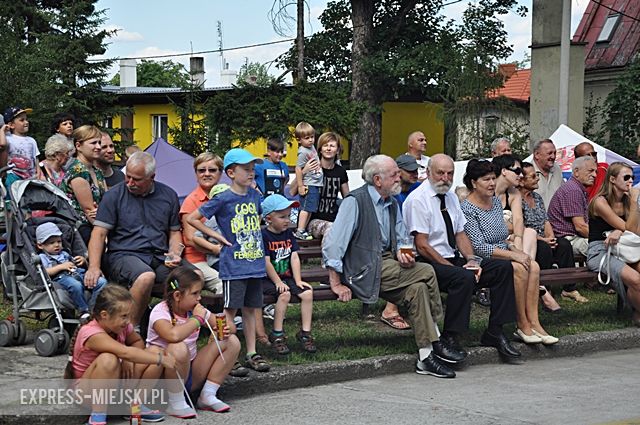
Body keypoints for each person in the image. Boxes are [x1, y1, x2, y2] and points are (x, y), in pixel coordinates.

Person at [323, 154, 459, 379]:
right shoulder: (355, 201)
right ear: (377, 180)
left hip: (387, 265)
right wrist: (336, 283)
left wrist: (404, 253)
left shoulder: (392, 202)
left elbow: (403, 238)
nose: (400, 178)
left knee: (418, 290)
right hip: (362, 269)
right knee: (427, 271)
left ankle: (425, 357)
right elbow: (335, 243)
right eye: (394, 174)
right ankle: (438, 335)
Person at [403, 154, 521, 360]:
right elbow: (422, 245)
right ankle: (450, 336)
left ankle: (495, 331)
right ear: (429, 172)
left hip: (452, 257)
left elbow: (460, 233)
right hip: (426, 262)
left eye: (450, 174)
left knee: (502, 268)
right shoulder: (418, 200)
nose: (445, 178)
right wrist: (453, 267)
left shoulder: (450, 197)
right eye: (440, 173)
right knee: (462, 278)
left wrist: (471, 260)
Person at [186, 148, 271, 373]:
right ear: (231, 173)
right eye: (246, 169)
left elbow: (258, 219)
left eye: (253, 169)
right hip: (234, 265)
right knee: (229, 311)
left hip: (254, 262)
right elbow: (193, 219)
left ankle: (251, 352)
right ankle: (226, 351)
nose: (251, 173)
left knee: (251, 309)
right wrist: (216, 236)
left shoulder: (254, 195)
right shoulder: (223, 197)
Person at [86, 151, 194, 327]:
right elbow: (99, 233)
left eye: (136, 179)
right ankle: (130, 330)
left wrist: (175, 252)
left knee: (193, 277)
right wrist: (93, 267)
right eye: (127, 177)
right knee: (145, 277)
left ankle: (176, 326)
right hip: (123, 255)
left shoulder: (168, 195)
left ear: (152, 177)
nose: (130, 183)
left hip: (159, 256)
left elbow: (174, 232)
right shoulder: (113, 196)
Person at [461, 159, 558, 345]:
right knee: (520, 268)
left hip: (503, 250)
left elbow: (503, 236)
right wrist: (514, 255)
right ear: (473, 183)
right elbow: (478, 246)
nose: (491, 183)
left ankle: (535, 323)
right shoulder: (467, 208)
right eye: (486, 180)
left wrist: (515, 248)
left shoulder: (496, 203)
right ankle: (521, 324)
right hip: (481, 258)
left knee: (533, 265)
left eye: (492, 179)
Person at [64, 285, 175, 425]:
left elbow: (137, 342)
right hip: (86, 393)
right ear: (104, 315)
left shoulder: (120, 326)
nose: (128, 321)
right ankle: (97, 416)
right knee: (108, 359)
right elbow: (125, 352)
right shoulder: (91, 333)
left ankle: (135, 406)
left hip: (114, 388)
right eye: (124, 316)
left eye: (129, 315)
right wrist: (162, 360)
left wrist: (130, 361)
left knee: (155, 351)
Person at [147, 267, 240, 417]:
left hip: (189, 373)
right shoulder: (160, 312)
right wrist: (197, 319)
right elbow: (173, 336)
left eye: (200, 293)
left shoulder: (194, 309)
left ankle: (207, 395)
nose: (199, 298)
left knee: (231, 341)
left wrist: (226, 328)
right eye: (195, 294)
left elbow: (229, 326)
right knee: (178, 347)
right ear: (177, 295)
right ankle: (175, 402)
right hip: (164, 381)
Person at [260, 194, 317, 354]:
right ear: (269, 218)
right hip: (268, 279)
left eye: (289, 216)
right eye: (282, 216)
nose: (287, 220)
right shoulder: (264, 236)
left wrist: (298, 280)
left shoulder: (288, 234)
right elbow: (266, 262)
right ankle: (277, 334)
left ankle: (305, 333)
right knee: (284, 294)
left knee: (307, 293)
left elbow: (294, 256)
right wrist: (278, 282)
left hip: (286, 277)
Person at [587, 163, 640, 326]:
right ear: (612, 179)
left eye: (633, 177)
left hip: (625, 248)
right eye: (626, 177)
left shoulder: (627, 201)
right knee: (636, 279)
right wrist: (633, 203)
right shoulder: (600, 202)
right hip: (600, 250)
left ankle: (637, 313)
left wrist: (620, 231)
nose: (630, 181)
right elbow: (629, 227)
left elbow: (635, 231)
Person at [519, 162, 574, 312]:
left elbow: (545, 220)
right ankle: (545, 290)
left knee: (563, 245)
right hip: (529, 239)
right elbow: (520, 227)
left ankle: (569, 288)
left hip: (543, 236)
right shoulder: (516, 199)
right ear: (522, 180)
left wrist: (551, 236)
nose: (537, 179)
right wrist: (542, 240)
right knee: (543, 249)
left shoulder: (536, 197)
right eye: (533, 176)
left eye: (537, 175)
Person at [547, 155, 597, 303]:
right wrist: (602, 238)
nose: (594, 175)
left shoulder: (576, 188)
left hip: (572, 238)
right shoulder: (573, 190)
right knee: (605, 247)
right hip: (566, 240)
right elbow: (581, 227)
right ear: (576, 172)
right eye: (590, 171)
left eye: (595, 171)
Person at [36, 222, 107, 322]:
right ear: (40, 245)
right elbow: (45, 272)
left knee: (101, 282)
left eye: (59, 241)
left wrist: (83, 260)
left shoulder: (65, 253)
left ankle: (94, 309)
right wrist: (61, 267)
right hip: (61, 278)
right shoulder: (42, 257)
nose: (57, 245)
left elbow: (75, 263)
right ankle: (83, 310)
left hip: (78, 273)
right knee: (75, 285)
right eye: (52, 243)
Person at [180, 152, 225, 294]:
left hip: (221, 256)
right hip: (197, 259)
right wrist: (216, 250)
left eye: (212, 170)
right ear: (196, 174)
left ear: (220, 173)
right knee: (223, 282)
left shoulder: (226, 196)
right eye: (201, 170)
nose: (206, 174)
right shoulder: (192, 200)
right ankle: (223, 316)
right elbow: (190, 239)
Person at [60, 125, 107, 245]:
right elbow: (89, 211)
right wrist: (105, 239)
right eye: (93, 143)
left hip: (101, 222)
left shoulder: (97, 170)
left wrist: (103, 210)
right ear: (78, 146)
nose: (98, 147)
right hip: (82, 230)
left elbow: (108, 201)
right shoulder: (78, 172)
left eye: (99, 142)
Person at [306, 131, 349, 240]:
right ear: (320, 149)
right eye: (325, 145)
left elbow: (348, 199)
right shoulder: (312, 168)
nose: (328, 149)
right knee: (331, 229)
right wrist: (304, 171)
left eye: (332, 146)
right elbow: (292, 191)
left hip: (334, 219)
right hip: (313, 221)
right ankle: (330, 257)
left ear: (338, 150)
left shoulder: (340, 172)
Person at [2, 106, 43, 192]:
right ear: (11, 125)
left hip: (31, 178)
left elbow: (35, 159)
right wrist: (2, 130)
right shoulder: (8, 139)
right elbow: (2, 145)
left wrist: (39, 172)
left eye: (26, 119)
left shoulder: (31, 140)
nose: (26, 122)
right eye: (22, 120)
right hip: (13, 177)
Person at [294, 121, 323, 240]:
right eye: (307, 138)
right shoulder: (302, 152)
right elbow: (298, 169)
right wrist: (300, 186)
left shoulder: (311, 148)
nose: (311, 140)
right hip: (308, 184)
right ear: (299, 140)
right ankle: (300, 230)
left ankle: (303, 229)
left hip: (315, 183)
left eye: (312, 137)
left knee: (310, 208)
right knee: (305, 208)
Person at [532, 139, 563, 208]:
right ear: (537, 155)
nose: (553, 156)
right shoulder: (526, 173)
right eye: (549, 153)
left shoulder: (557, 169)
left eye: (554, 153)